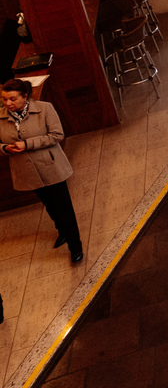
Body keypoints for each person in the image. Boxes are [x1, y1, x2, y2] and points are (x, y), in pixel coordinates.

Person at [0, 79, 83, 263]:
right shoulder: (1, 116)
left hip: (50, 166)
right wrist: (5, 148)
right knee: (49, 204)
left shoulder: (45, 108)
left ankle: (75, 246)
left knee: (64, 207)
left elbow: (57, 135)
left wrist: (28, 144)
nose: (8, 104)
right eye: (4, 99)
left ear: (25, 96)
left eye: (12, 99)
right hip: (26, 170)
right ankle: (62, 231)